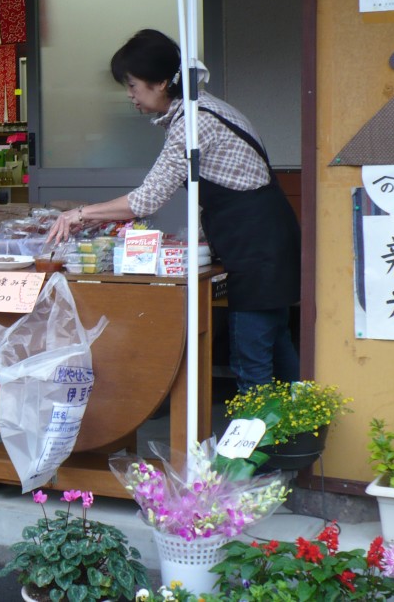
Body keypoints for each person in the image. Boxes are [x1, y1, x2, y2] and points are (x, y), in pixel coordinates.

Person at [47, 29, 301, 392]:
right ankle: (296, 434)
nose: (130, 96)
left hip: (257, 245)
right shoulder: (204, 107)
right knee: (276, 344)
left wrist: (80, 214)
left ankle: (258, 443)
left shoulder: (192, 124)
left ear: (161, 82)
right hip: (269, 236)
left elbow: (146, 200)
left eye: (133, 86)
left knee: (254, 357)